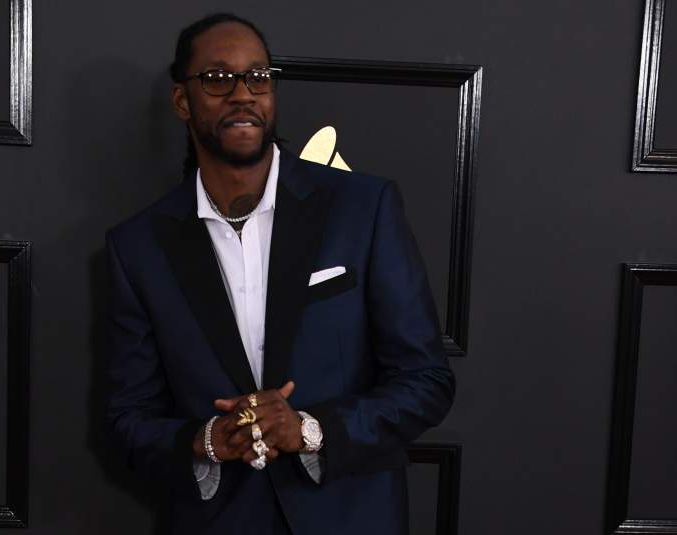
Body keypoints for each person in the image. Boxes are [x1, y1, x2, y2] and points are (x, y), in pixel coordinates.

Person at [106, 12, 455, 535]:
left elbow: (426, 381)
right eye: (219, 78)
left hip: (350, 517)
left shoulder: (362, 208)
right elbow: (128, 419)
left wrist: (311, 430)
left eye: (259, 76)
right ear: (182, 101)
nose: (243, 93)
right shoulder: (138, 246)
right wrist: (206, 441)